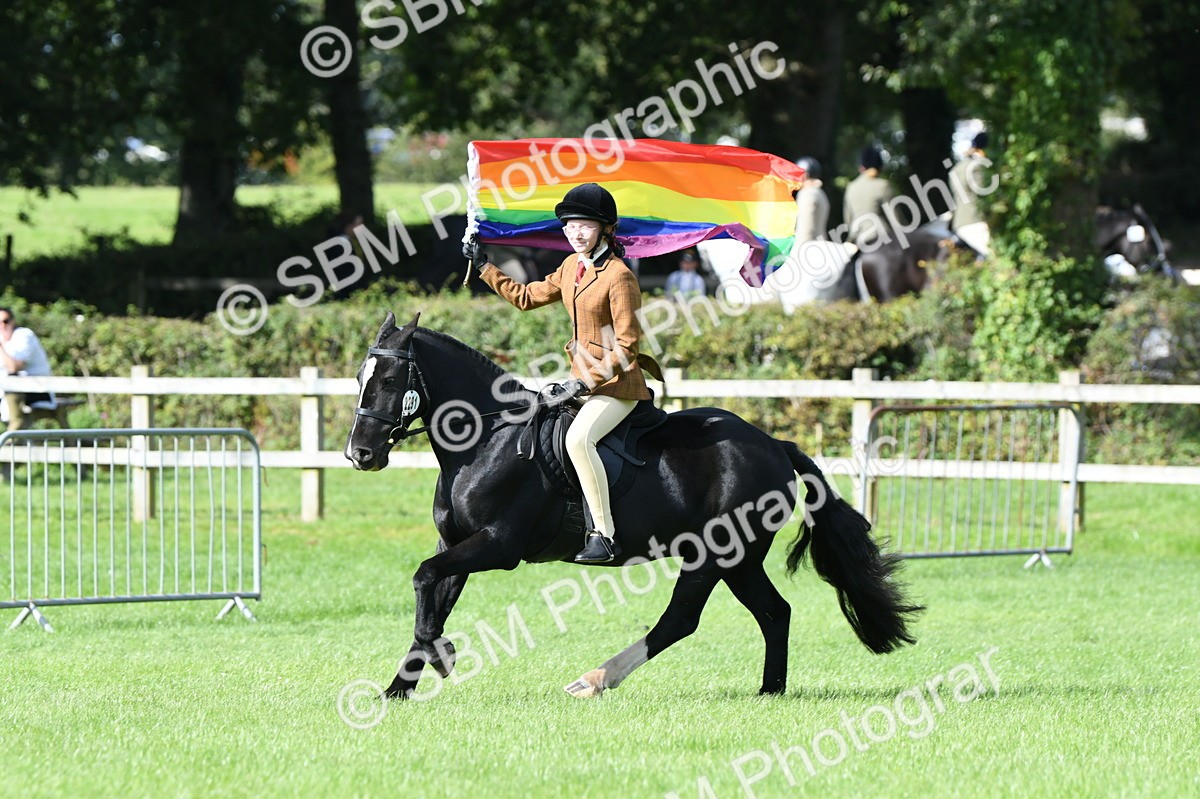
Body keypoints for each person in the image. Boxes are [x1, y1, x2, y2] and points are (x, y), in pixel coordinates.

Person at [463, 183, 656, 564]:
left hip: (617, 385)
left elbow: (628, 345)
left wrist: (582, 383)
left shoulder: (619, 276)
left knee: (579, 441)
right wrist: (484, 265)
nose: (575, 233)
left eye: (584, 226)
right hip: (580, 383)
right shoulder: (572, 267)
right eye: (569, 226)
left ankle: (605, 535)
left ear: (606, 229)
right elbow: (525, 297)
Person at [0, 307, 55, 432]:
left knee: (12, 380)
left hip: (37, 390)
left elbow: (13, 367)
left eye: (5, 321)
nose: (2, 325)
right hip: (8, 392)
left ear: (12, 321)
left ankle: (15, 427)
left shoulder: (24, 335)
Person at [843, 145, 896, 251]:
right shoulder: (883, 185)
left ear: (861, 167)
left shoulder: (851, 187)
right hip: (881, 239)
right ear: (880, 167)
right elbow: (895, 220)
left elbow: (848, 220)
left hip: (857, 240)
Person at [949, 131, 992, 257]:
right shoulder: (976, 167)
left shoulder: (956, 169)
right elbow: (984, 194)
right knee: (996, 259)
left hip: (959, 223)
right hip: (975, 221)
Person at [793, 156, 830, 243]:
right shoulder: (819, 192)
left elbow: (806, 229)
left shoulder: (807, 194)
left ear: (805, 175)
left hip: (809, 249)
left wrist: (799, 251)